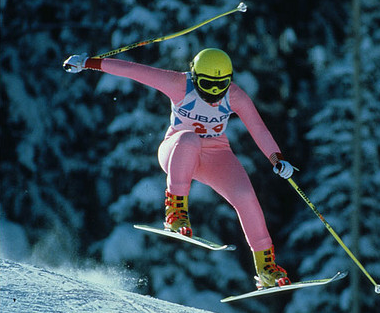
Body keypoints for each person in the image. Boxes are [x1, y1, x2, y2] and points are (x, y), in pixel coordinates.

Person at [63, 48, 294, 288]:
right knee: (189, 138)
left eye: (221, 84)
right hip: (176, 151)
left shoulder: (235, 96)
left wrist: (277, 159)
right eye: (207, 83)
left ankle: (266, 268)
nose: (214, 92)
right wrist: (88, 63)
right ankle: (176, 214)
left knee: (246, 196)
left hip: (216, 156)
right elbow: (133, 70)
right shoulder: (179, 84)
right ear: (195, 76)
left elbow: (259, 129)